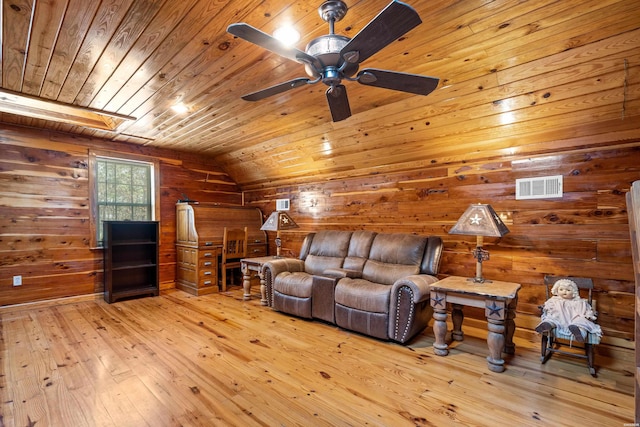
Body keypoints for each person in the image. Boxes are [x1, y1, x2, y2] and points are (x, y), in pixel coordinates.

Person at [535, 278, 602, 342]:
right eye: (561, 289)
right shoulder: (554, 300)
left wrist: (589, 314)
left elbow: (586, 309)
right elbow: (548, 306)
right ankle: (546, 325)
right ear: (557, 290)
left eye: (568, 290)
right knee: (551, 319)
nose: (564, 292)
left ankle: (579, 333)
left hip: (574, 318)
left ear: (574, 292)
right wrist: (545, 307)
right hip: (558, 317)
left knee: (581, 322)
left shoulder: (579, 301)